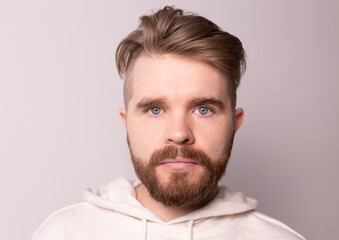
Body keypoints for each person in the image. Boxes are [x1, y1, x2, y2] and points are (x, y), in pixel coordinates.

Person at [32, 6, 305, 240]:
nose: (178, 134)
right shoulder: (61, 234)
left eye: (203, 109)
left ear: (234, 124)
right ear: (127, 123)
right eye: (154, 109)